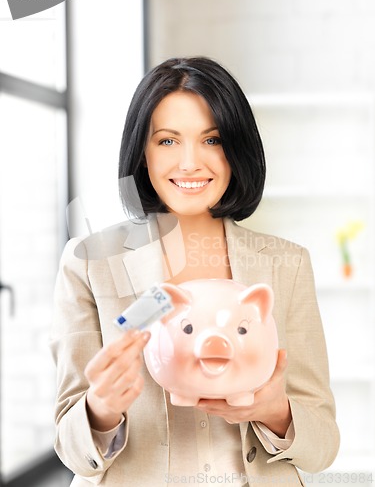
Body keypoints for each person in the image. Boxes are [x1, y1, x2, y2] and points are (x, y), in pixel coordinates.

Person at [50, 57, 340, 486]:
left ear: (237, 149)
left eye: (213, 139)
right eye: (167, 141)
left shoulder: (286, 264)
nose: (189, 163)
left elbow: (323, 446)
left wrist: (274, 411)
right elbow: (68, 444)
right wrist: (101, 408)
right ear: (142, 152)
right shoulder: (90, 261)